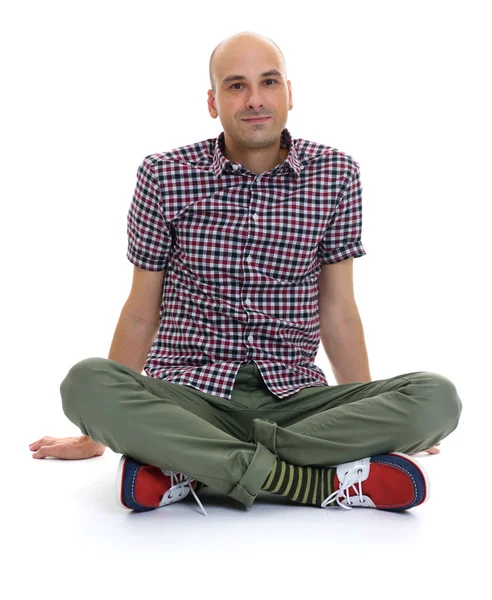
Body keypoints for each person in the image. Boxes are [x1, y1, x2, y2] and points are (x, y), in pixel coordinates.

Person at [29, 31, 462, 517]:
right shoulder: (164, 175)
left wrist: (365, 418)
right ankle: (307, 482)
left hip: (297, 398)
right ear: (213, 102)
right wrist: (95, 434)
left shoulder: (337, 175)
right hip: (191, 397)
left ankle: (187, 463)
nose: (255, 99)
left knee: (436, 398)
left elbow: (339, 311)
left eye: (268, 82)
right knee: (86, 384)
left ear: (290, 93)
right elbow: (140, 311)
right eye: (235, 86)